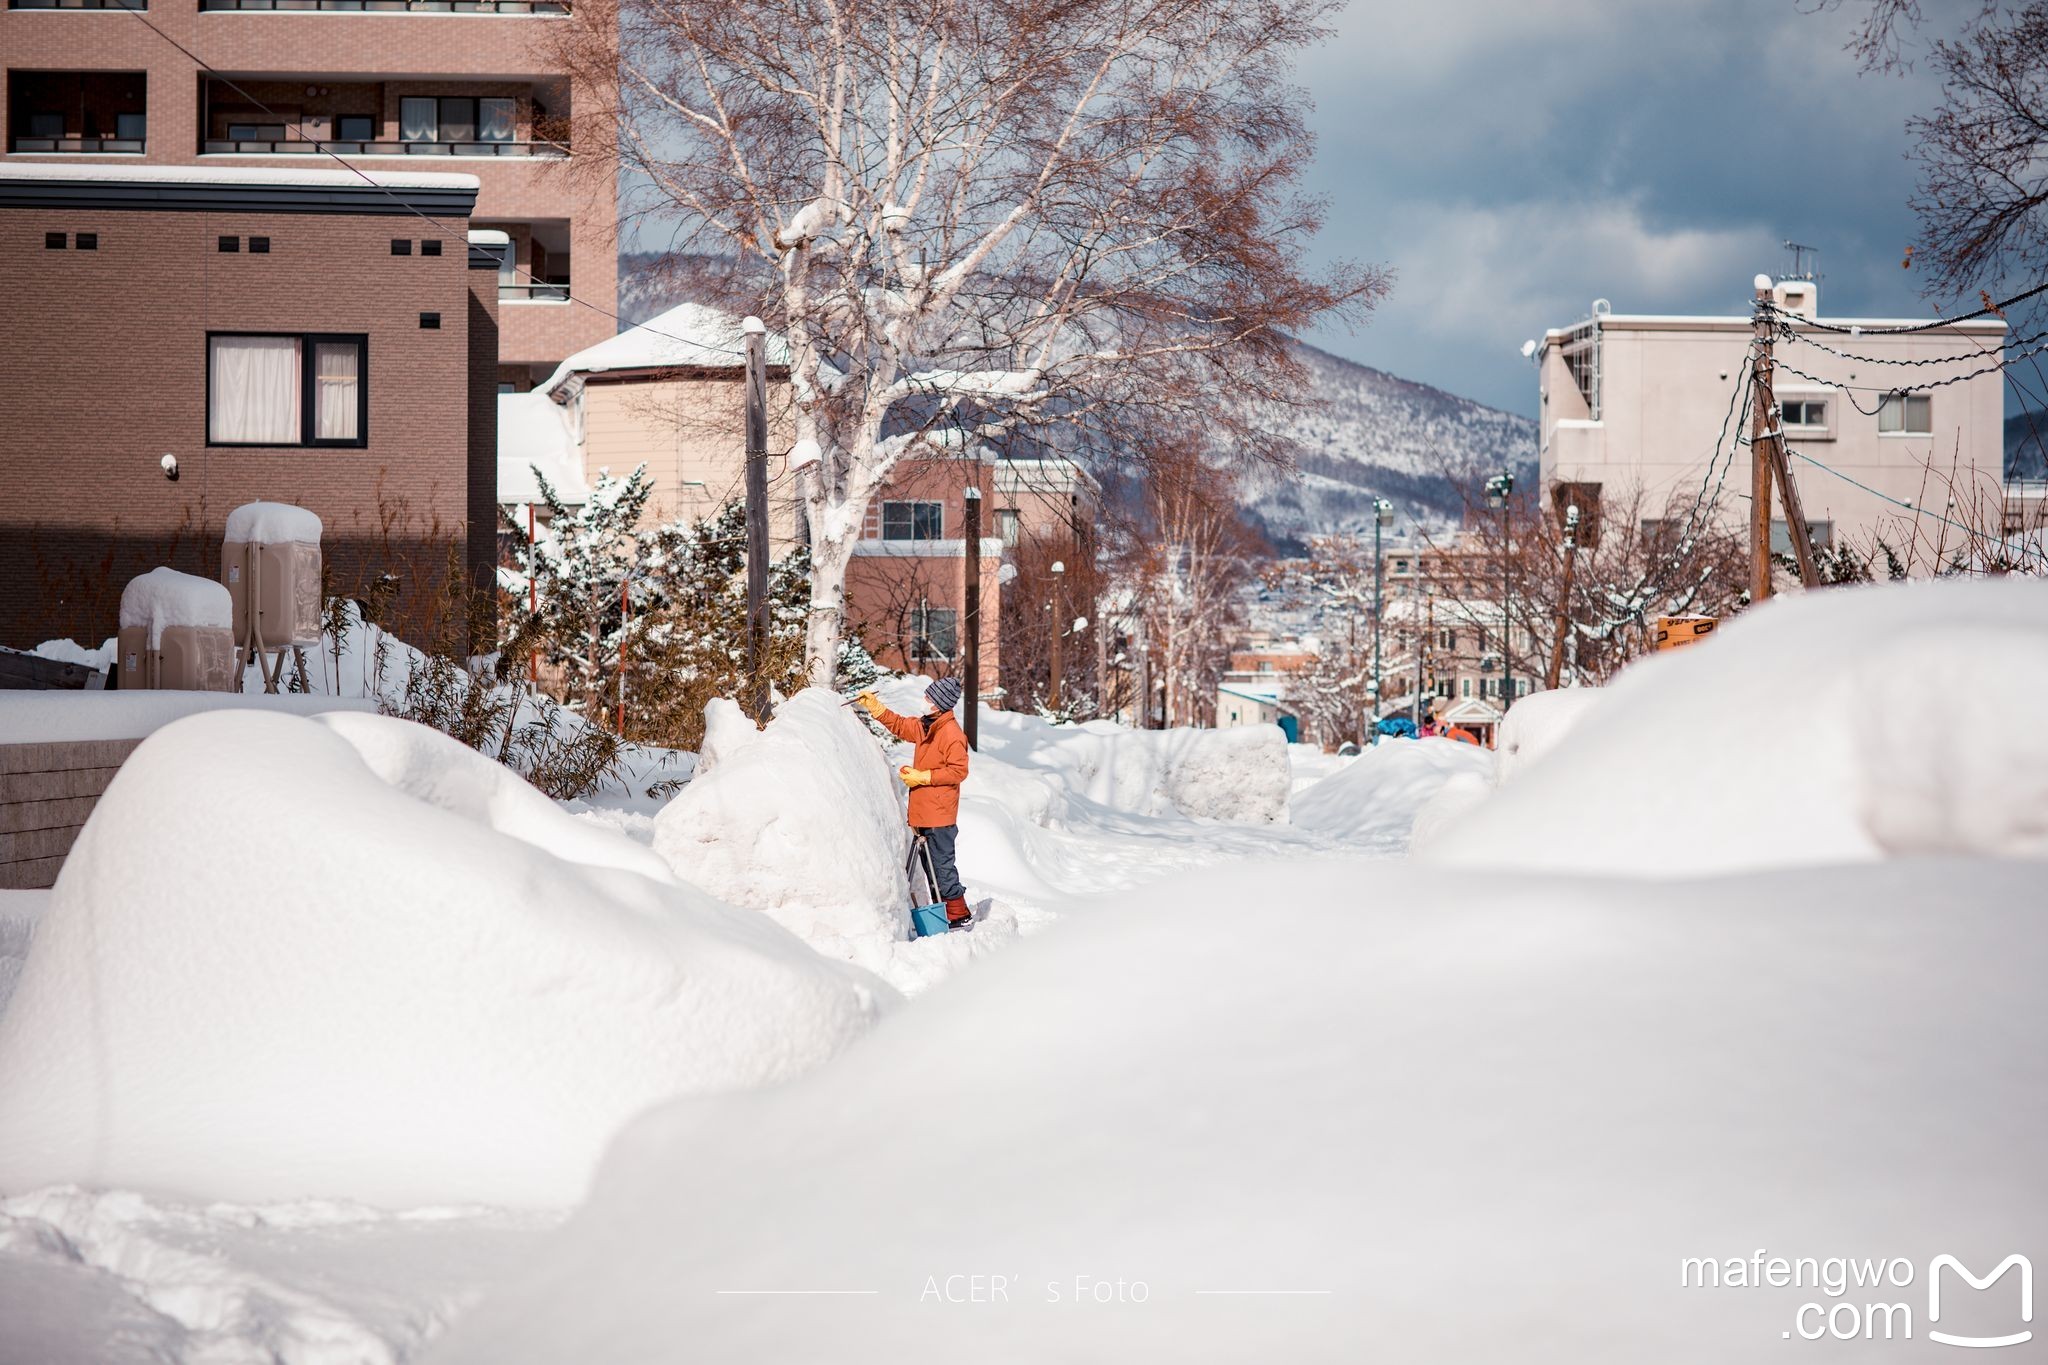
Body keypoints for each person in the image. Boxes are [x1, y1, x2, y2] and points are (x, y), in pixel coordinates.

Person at [855, 677, 973, 929]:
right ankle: (940, 911)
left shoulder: (951, 734)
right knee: (929, 867)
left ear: (940, 704)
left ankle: (957, 911)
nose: (925, 701)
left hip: (940, 814)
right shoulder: (928, 726)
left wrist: (925, 776)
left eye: (930, 698)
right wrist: (876, 708)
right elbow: (901, 726)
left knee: (941, 866)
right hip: (924, 811)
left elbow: (959, 771)